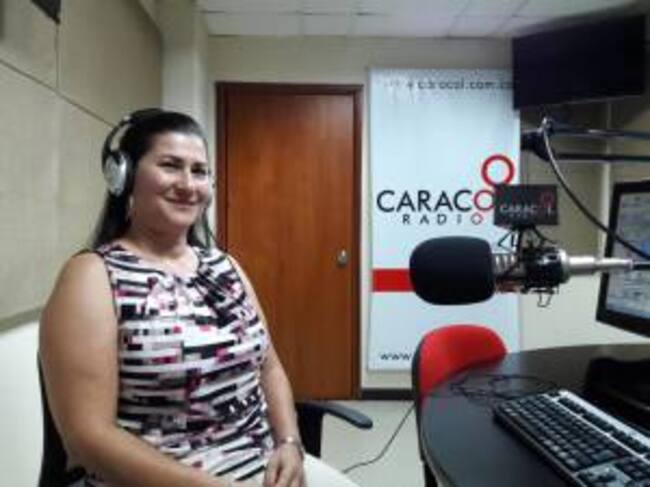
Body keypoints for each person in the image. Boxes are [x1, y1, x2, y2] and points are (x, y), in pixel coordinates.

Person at [39, 109, 360, 487]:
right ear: (123, 175)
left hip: (262, 469)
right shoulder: (91, 277)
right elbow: (88, 438)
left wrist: (290, 443)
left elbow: (269, 368)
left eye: (199, 171)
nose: (188, 184)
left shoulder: (225, 266)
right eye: (170, 166)